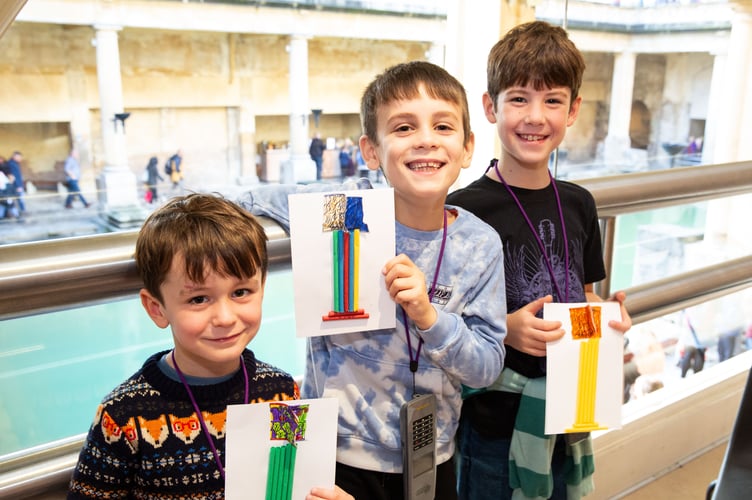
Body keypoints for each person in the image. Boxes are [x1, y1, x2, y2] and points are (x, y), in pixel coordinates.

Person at [243, 60, 507, 499]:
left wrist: (429, 316)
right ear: (371, 150)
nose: (425, 140)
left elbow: (486, 366)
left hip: (431, 455)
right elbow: (252, 201)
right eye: (403, 128)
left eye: (443, 127)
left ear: (467, 148)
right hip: (333, 453)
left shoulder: (479, 244)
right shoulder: (347, 209)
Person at [446, 21, 632, 499]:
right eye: (518, 98)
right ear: (490, 107)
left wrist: (607, 322)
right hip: (494, 420)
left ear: (573, 110)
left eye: (552, 100)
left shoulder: (579, 203)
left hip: (571, 406)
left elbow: (585, 294)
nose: (535, 116)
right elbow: (439, 319)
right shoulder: (464, 209)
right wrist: (504, 327)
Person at [68, 193, 352, 500]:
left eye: (241, 292)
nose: (225, 317)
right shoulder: (123, 416)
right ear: (157, 308)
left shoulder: (281, 393)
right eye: (198, 299)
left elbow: (295, 485)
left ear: (263, 287)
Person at [6, 151, 26, 215]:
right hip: (16, 186)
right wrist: (18, 186)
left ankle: (19, 211)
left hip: (17, 185)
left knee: (17, 199)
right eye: (19, 157)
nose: (20, 159)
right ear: (15, 156)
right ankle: (21, 212)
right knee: (18, 199)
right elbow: (14, 176)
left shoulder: (15, 163)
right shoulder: (11, 164)